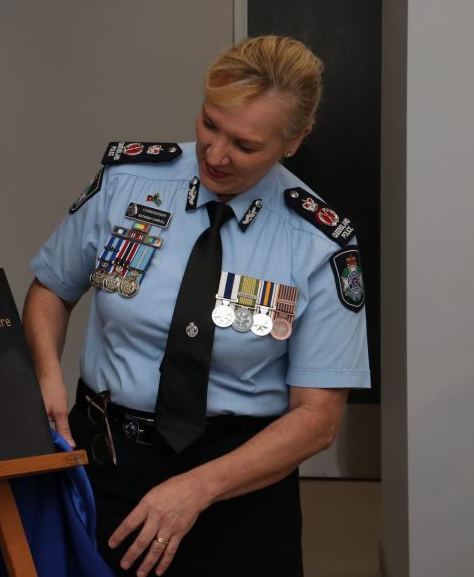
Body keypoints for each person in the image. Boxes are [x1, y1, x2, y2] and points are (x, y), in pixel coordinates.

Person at [23, 36, 370, 576]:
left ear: (293, 141)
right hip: (110, 463)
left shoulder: (318, 243)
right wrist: (46, 376)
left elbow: (318, 419)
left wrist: (198, 489)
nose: (215, 154)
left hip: (241, 486)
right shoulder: (127, 181)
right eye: (209, 124)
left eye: (246, 145)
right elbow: (51, 290)